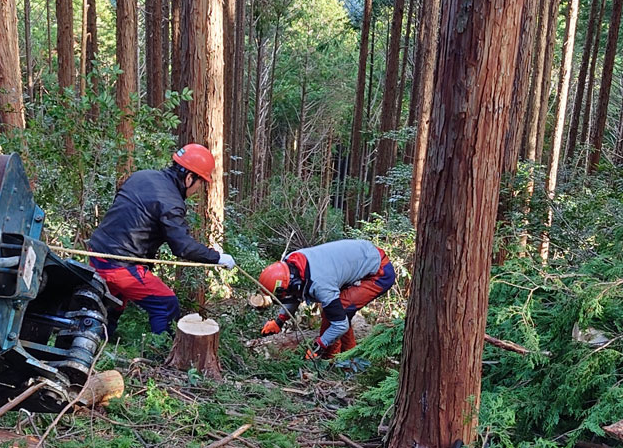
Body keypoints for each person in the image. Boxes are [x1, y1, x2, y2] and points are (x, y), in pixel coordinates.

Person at [86, 144, 236, 335]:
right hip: (118, 265)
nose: (198, 189)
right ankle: (161, 356)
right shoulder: (171, 202)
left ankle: (99, 341)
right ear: (189, 178)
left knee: (113, 301)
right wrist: (217, 257)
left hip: (96, 252)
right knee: (166, 304)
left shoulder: (141, 176)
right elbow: (182, 246)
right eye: (200, 183)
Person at [256, 239, 396, 359]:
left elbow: (340, 324)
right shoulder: (292, 261)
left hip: (379, 271)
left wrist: (319, 346)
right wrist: (280, 320)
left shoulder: (320, 284)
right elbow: (294, 295)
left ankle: (333, 359)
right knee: (336, 311)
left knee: (337, 312)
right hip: (362, 256)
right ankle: (347, 357)